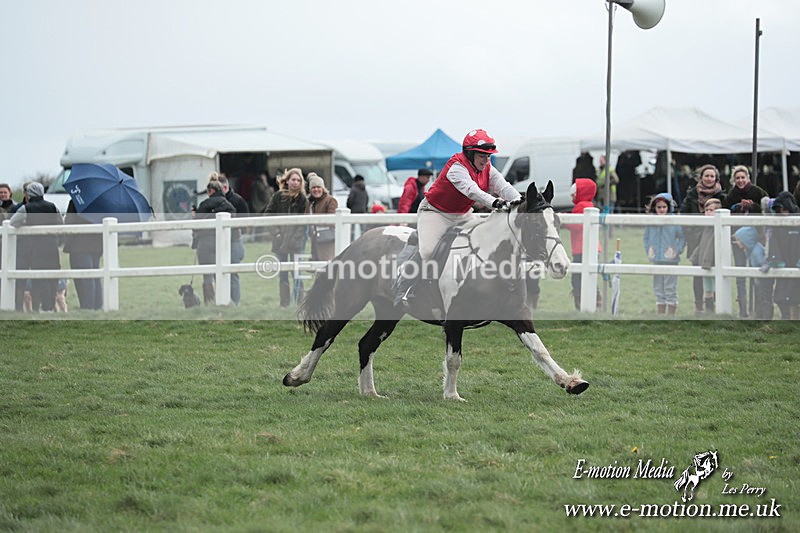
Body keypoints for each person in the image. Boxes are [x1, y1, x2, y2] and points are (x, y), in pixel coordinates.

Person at [394, 129, 520, 307]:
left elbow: (504, 187)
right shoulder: (456, 168)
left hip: (462, 214)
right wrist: (496, 203)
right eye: (482, 155)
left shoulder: (488, 169)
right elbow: (472, 191)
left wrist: (520, 201)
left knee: (481, 240)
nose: (486, 160)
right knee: (428, 250)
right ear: (469, 153)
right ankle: (405, 288)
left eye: (489, 156)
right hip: (436, 212)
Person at [9, 182, 63, 312]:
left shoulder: (26, 208)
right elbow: (60, 223)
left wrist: (26, 222)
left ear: (29, 193)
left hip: (36, 248)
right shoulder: (52, 206)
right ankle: (49, 305)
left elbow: (12, 222)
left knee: (39, 277)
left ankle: (41, 307)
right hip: (51, 246)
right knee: (52, 276)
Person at [680, 164, 726, 315]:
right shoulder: (692, 195)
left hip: (715, 239)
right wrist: (691, 233)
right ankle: (699, 306)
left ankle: (716, 304)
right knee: (698, 274)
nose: (709, 178)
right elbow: (684, 214)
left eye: (712, 176)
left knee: (717, 272)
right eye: (706, 175)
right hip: (695, 239)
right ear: (701, 177)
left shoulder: (722, 196)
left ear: (716, 178)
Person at [723, 165, 767, 317]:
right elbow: (726, 211)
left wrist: (753, 206)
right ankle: (743, 310)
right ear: (733, 180)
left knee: (757, 273)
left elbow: (767, 209)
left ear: (747, 178)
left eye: (743, 177)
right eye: (737, 178)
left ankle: (760, 309)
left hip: (756, 240)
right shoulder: (731, 195)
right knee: (740, 275)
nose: (740, 181)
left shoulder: (758, 192)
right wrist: (738, 208)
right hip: (737, 240)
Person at [265, 168, 309, 307]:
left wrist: (296, 239)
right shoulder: (278, 196)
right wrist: (277, 234)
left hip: (295, 243)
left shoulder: (303, 200)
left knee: (297, 273)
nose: (295, 183)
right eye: (293, 179)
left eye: (298, 180)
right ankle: (284, 303)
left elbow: (304, 223)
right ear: (287, 181)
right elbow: (268, 215)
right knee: (283, 273)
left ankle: (300, 303)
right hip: (280, 242)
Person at [192, 178, 235, 304]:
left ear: (211, 191)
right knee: (222, 273)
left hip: (205, 242)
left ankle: (209, 302)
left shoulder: (205, 204)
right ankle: (224, 301)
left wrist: (194, 216)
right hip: (222, 242)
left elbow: (196, 224)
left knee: (207, 274)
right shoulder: (228, 205)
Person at [643, 193, 685, 315]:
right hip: (656, 259)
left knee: (670, 286)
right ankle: (660, 312)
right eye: (659, 207)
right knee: (658, 286)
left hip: (671, 260)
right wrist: (649, 250)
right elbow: (646, 237)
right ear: (654, 208)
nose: (662, 210)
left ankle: (671, 313)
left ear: (669, 207)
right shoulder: (651, 222)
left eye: (664, 207)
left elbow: (682, 238)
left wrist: (676, 250)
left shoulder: (674, 221)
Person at [763, 192, 800, 320]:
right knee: (780, 296)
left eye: (785, 208)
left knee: (795, 297)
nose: (782, 212)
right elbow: (773, 243)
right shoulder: (776, 225)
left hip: (796, 263)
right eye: (779, 209)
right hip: (783, 264)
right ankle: (785, 318)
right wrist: (774, 259)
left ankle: (794, 320)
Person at [566, 178, 600, 310]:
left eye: (574, 192)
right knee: (590, 276)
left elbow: (576, 225)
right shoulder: (589, 205)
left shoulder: (581, 206)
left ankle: (581, 305)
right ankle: (596, 302)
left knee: (577, 279)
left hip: (582, 248)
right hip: (592, 247)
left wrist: (563, 219)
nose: (572, 196)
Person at [63, 199, 103, 310]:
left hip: (78, 245)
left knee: (84, 278)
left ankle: (87, 306)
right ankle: (97, 305)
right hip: (96, 244)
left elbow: (69, 222)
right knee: (95, 277)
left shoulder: (75, 201)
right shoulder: (101, 203)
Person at [217, 173, 249, 306]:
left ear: (224, 187)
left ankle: (235, 303)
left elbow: (245, 221)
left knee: (233, 274)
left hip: (234, 240)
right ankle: (222, 301)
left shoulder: (238, 201)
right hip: (219, 241)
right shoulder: (217, 200)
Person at [688, 198, 722, 314]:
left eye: (711, 210)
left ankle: (719, 309)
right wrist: (695, 256)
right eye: (707, 210)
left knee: (716, 285)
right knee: (707, 286)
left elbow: (712, 246)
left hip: (713, 261)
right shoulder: (706, 226)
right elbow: (702, 244)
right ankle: (709, 309)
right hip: (704, 261)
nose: (708, 212)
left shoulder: (718, 228)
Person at [732, 226, 772, 320]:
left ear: (746, 240)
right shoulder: (751, 250)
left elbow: (763, 264)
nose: (736, 243)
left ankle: (765, 318)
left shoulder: (756, 252)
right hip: (760, 281)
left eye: (738, 240)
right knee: (761, 298)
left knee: (764, 299)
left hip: (763, 282)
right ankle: (760, 316)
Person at [307, 173, 338, 261]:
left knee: (327, 265)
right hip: (315, 239)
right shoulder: (310, 203)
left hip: (327, 239)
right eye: (313, 187)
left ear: (323, 188)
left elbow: (331, 219)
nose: (316, 189)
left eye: (318, 187)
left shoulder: (330, 200)